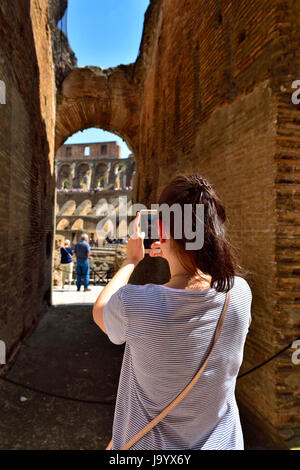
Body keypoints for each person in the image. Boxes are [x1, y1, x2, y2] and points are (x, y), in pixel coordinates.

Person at [93, 174, 252, 450]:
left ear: (164, 230)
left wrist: (131, 261)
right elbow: (203, 282)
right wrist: (176, 248)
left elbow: (100, 311)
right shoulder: (239, 293)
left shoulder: (136, 304)